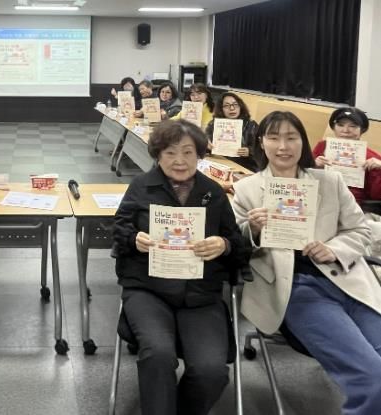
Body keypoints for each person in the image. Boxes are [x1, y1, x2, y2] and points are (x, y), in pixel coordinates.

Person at [232, 111, 381, 415]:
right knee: (371, 378)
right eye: (274, 137)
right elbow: (233, 246)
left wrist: (334, 249)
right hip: (295, 290)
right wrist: (253, 230)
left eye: (291, 137)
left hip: (348, 281)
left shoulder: (329, 181)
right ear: (261, 142)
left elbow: (360, 229)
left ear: (303, 142)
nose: (283, 146)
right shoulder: (247, 189)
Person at [113, 119, 246, 415]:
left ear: (199, 155)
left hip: (201, 295)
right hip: (148, 290)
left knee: (212, 371)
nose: (180, 160)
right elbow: (119, 230)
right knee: (158, 355)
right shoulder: (141, 186)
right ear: (158, 155)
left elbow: (238, 245)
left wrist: (223, 245)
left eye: (188, 152)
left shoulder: (213, 192)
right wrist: (134, 239)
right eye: (170, 152)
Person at [205, 92, 259, 171]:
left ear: (240, 107)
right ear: (221, 109)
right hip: (219, 163)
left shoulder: (251, 126)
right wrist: (205, 145)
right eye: (227, 105)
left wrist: (250, 151)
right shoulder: (214, 124)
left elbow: (262, 151)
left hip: (244, 167)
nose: (232, 108)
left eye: (235, 104)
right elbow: (204, 148)